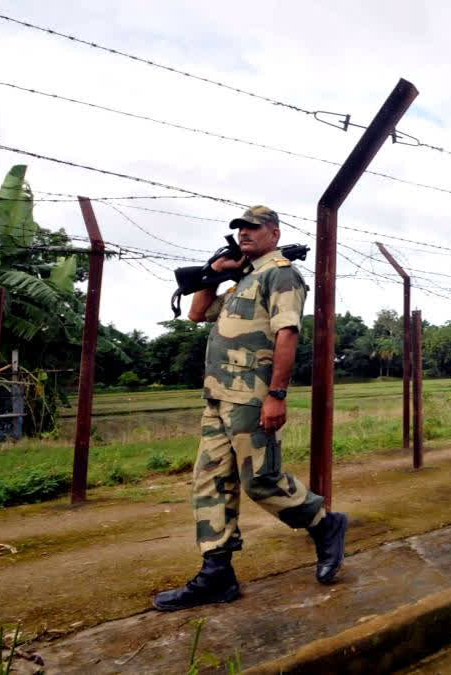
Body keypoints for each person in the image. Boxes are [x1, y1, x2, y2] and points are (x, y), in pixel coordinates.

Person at [153, 206, 348, 612]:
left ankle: (324, 524)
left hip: (252, 396)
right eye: (240, 228)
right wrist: (214, 273)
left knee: (260, 479)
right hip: (218, 396)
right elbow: (195, 314)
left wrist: (277, 394)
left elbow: (288, 334)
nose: (244, 233)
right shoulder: (242, 279)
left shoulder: (281, 274)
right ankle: (216, 572)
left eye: (253, 228)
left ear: (273, 234)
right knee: (209, 482)